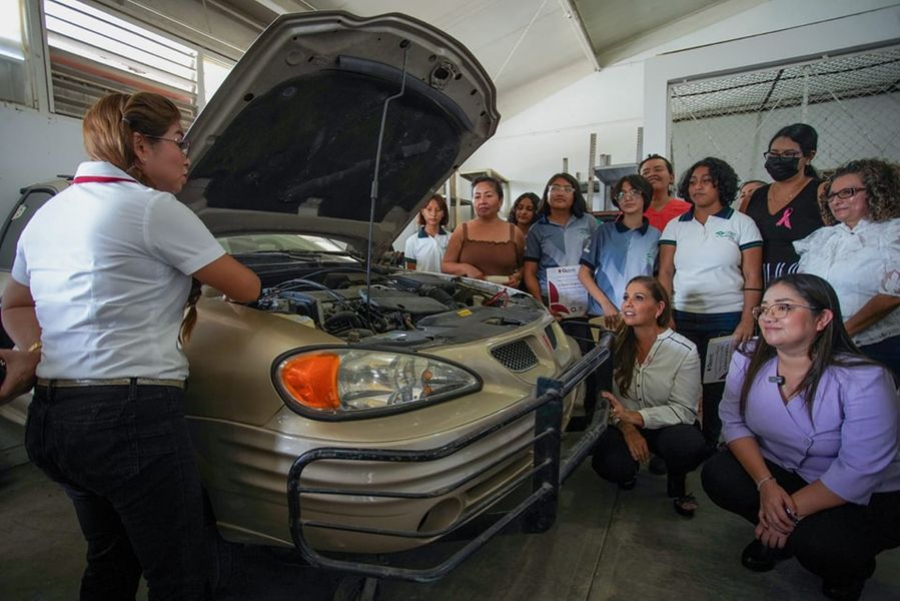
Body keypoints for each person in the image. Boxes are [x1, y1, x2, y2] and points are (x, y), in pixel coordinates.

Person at [0, 92, 261, 600]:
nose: (187, 155)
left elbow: (14, 305)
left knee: (111, 558)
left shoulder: (49, 214)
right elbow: (247, 288)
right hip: (130, 424)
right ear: (141, 146)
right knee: (182, 573)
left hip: (54, 421)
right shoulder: (153, 209)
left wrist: (35, 352)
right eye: (179, 142)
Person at [701, 274, 900, 601]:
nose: (768, 316)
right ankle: (782, 533)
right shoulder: (748, 356)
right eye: (764, 308)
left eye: (784, 307)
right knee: (718, 474)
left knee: (821, 543)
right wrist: (766, 485)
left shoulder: (865, 379)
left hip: (866, 492)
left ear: (822, 318)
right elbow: (733, 421)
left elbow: (859, 469)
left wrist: (785, 513)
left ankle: (844, 566)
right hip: (787, 472)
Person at [658, 157, 763, 449]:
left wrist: (747, 319)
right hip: (682, 316)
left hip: (727, 319)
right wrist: (665, 313)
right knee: (682, 385)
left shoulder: (742, 223)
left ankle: (711, 444)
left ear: (722, 184)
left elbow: (753, 275)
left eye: (706, 180)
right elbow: (665, 272)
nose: (697, 186)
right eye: (692, 181)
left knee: (719, 387)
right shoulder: (676, 225)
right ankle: (684, 444)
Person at [591, 276, 707, 517]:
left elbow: (684, 410)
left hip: (667, 425)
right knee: (611, 464)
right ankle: (629, 470)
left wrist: (636, 417)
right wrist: (627, 428)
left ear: (659, 308)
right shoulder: (613, 343)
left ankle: (677, 478)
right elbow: (607, 399)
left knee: (688, 446)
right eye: (625, 297)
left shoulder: (684, 351)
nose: (627, 304)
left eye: (638, 298)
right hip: (623, 422)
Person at [795, 158, 900, 376]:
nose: (836, 201)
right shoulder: (823, 238)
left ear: (874, 192)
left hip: (875, 346)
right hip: (821, 342)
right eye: (832, 195)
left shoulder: (892, 233)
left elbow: (892, 295)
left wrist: (840, 334)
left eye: (847, 192)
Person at [743, 124, 823, 283]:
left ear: (809, 157)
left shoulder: (821, 192)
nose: (779, 159)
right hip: (756, 282)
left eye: (788, 154)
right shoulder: (754, 197)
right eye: (773, 154)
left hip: (803, 282)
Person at [578, 174, 659, 329]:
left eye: (634, 192)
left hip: (640, 315)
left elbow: (658, 279)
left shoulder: (656, 236)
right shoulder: (603, 232)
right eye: (621, 194)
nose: (627, 198)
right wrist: (605, 304)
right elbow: (583, 273)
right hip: (605, 314)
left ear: (645, 196)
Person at [523, 172, 597, 310]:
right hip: (549, 298)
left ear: (575, 195)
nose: (560, 193)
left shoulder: (589, 222)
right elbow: (530, 272)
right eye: (555, 188)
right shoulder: (537, 229)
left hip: (584, 295)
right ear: (547, 194)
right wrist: (541, 305)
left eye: (568, 189)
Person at [442, 176, 524, 286]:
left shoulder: (514, 232)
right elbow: (445, 265)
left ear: (500, 201)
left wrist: (517, 277)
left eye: (488, 196)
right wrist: (466, 268)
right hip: (467, 298)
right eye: (477, 196)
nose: (482, 201)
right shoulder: (462, 230)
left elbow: (524, 266)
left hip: (505, 297)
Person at [638, 154, 692, 232]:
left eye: (658, 170)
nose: (651, 174)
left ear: (671, 178)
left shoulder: (690, 211)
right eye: (645, 173)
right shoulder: (631, 213)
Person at [404, 193, 450, 272]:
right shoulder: (412, 241)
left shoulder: (452, 238)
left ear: (443, 213)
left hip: (447, 284)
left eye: (438, 210)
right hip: (423, 284)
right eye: (429, 209)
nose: (433, 214)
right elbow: (410, 272)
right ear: (422, 211)